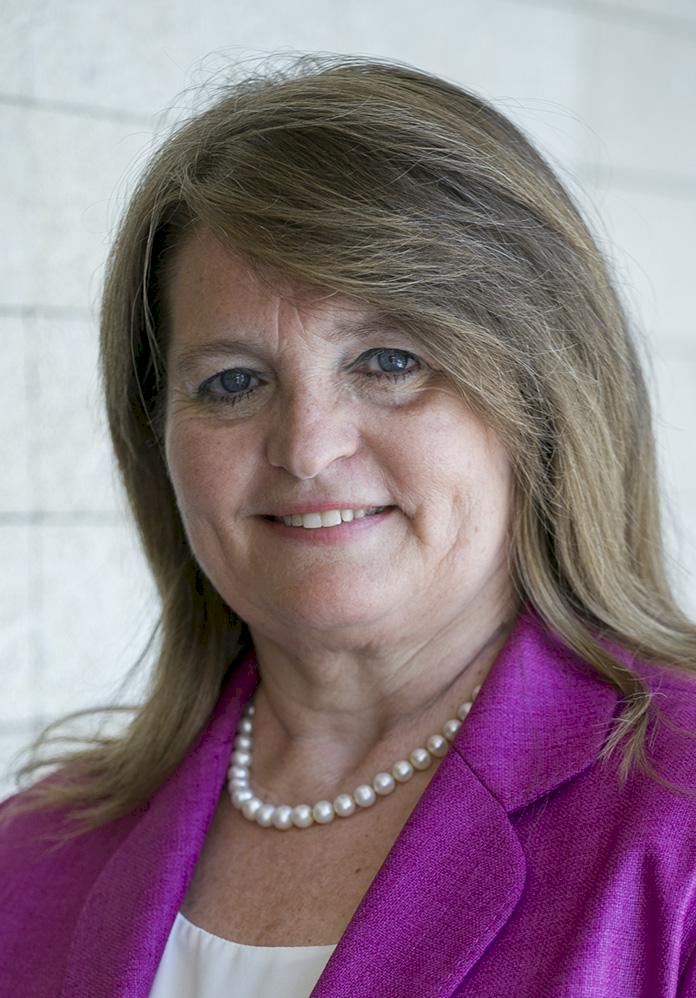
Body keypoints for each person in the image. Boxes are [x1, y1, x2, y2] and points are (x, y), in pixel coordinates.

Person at [1, 52, 696, 998]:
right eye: (233, 382)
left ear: (544, 402)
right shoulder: (30, 855)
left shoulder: (676, 813)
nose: (307, 448)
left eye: (390, 361)